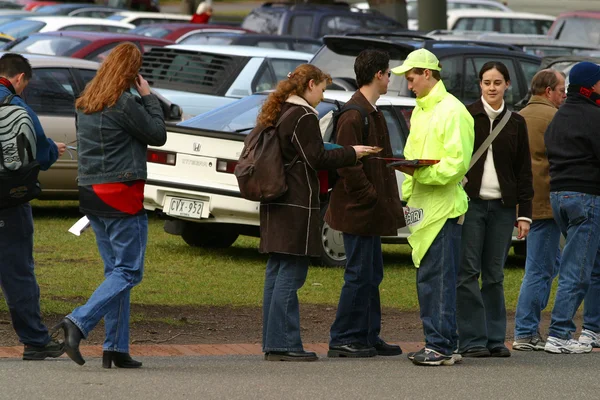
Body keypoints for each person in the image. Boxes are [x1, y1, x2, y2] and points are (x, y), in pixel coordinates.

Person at [51, 43, 167, 367]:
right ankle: (77, 322)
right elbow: (158, 134)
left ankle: (115, 348)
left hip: (90, 192)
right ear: (132, 73)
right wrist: (148, 96)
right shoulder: (124, 102)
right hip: (120, 194)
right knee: (128, 271)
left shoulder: (86, 101)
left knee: (114, 271)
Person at [259, 64, 375, 362]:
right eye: (322, 89)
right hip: (296, 202)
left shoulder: (280, 110)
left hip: (276, 200)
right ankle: (284, 343)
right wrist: (352, 152)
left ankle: (274, 342)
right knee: (292, 272)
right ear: (310, 84)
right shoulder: (303, 115)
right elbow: (316, 157)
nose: (323, 97)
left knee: (277, 269)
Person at [391, 49, 474, 366]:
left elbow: (457, 165)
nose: (408, 84)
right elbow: (411, 156)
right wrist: (408, 198)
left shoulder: (453, 112)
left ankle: (439, 346)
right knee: (430, 279)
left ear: (427, 73)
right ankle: (445, 344)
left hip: (443, 209)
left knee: (436, 281)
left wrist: (420, 175)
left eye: (411, 78)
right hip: (423, 209)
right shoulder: (422, 111)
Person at [325, 49, 405, 359]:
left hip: (371, 211)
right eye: (388, 73)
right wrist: (369, 195)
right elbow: (346, 163)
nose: (390, 78)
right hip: (358, 211)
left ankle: (368, 335)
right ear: (377, 75)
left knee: (372, 274)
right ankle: (343, 337)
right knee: (358, 273)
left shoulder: (373, 111)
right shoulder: (354, 113)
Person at [456, 61, 533, 358]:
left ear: (507, 86)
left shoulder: (516, 122)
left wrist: (523, 213)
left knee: (494, 275)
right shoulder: (467, 115)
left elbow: (524, 170)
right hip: (471, 205)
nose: (492, 88)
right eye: (487, 82)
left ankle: (494, 339)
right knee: (467, 272)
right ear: (480, 85)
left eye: (497, 83)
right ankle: (472, 339)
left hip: (502, 209)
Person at [0, 53, 66, 361]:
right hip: (8, 204)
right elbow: (41, 152)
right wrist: (54, 148)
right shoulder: (16, 106)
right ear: (19, 78)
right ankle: (35, 341)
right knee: (17, 273)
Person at [543, 61, 600, 354]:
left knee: (593, 264)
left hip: (560, 196)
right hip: (587, 197)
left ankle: (592, 329)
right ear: (590, 85)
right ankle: (559, 334)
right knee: (577, 269)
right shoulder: (594, 116)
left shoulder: (560, 114)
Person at [513, 69, 566, 351]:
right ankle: (525, 331)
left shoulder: (519, 116)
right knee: (540, 269)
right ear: (548, 91)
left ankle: (526, 329)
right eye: (561, 90)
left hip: (525, 203)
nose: (564, 95)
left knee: (547, 264)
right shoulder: (554, 118)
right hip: (545, 203)